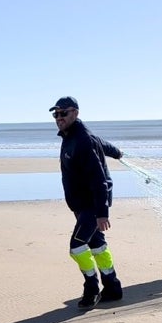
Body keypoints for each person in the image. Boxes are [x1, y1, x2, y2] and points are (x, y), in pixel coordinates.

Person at [51, 96, 124, 309]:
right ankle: (112, 286)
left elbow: (99, 179)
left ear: (75, 113)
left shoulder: (82, 139)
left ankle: (91, 287)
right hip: (81, 204)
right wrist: (118, 153)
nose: (59, 118)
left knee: (76, 247)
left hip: (92, 205)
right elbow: (103, 144)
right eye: (56, 114)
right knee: (97, 245)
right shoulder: (73, 136)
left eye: (63, 113)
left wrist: (102, 213)